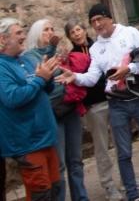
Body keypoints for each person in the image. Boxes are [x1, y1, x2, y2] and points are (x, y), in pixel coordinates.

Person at [55, 5, 139, 201]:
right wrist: (75, 77)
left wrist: (128, 68)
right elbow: (92, 77)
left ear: (108, 18)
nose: (97, 25)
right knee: (123, 152)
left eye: (99, 19)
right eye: (93, 22)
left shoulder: (130, 33)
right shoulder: (96, 48)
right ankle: (132, 194)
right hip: (116, 104)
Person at [65, 19, 139, 200]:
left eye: (78, 29)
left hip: (113, 100)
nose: (77, 34)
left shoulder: (99, 46)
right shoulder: (71, 56)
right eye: (72, 33)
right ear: (69, 37)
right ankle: (108, 184)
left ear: (85, 30)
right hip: (93, 106)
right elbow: (83, 80)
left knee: (123, 145)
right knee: (102, 147)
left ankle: (128, 180)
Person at [24, 21, 88, 201]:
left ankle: (81, 197)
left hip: (69, 106)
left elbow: (68, 72)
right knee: (58, 163)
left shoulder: (58, 52)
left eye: (52, 29)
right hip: (52, 111)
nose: (51, 32)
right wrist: (53, 51)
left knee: (76, 159)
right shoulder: (29, 56)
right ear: (36, 33)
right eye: (46, 30)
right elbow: (49, 73)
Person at [0, 18, 62, 201]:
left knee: (55, 189)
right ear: (3, 39)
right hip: (28, 143)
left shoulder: (25, 60)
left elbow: (45, 88)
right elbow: (12, 98)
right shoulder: (2, 66)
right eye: (18, 33)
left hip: (45, 139)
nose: (24, 36)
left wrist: (47, 77)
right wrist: (40, 79)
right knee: (40, 194)